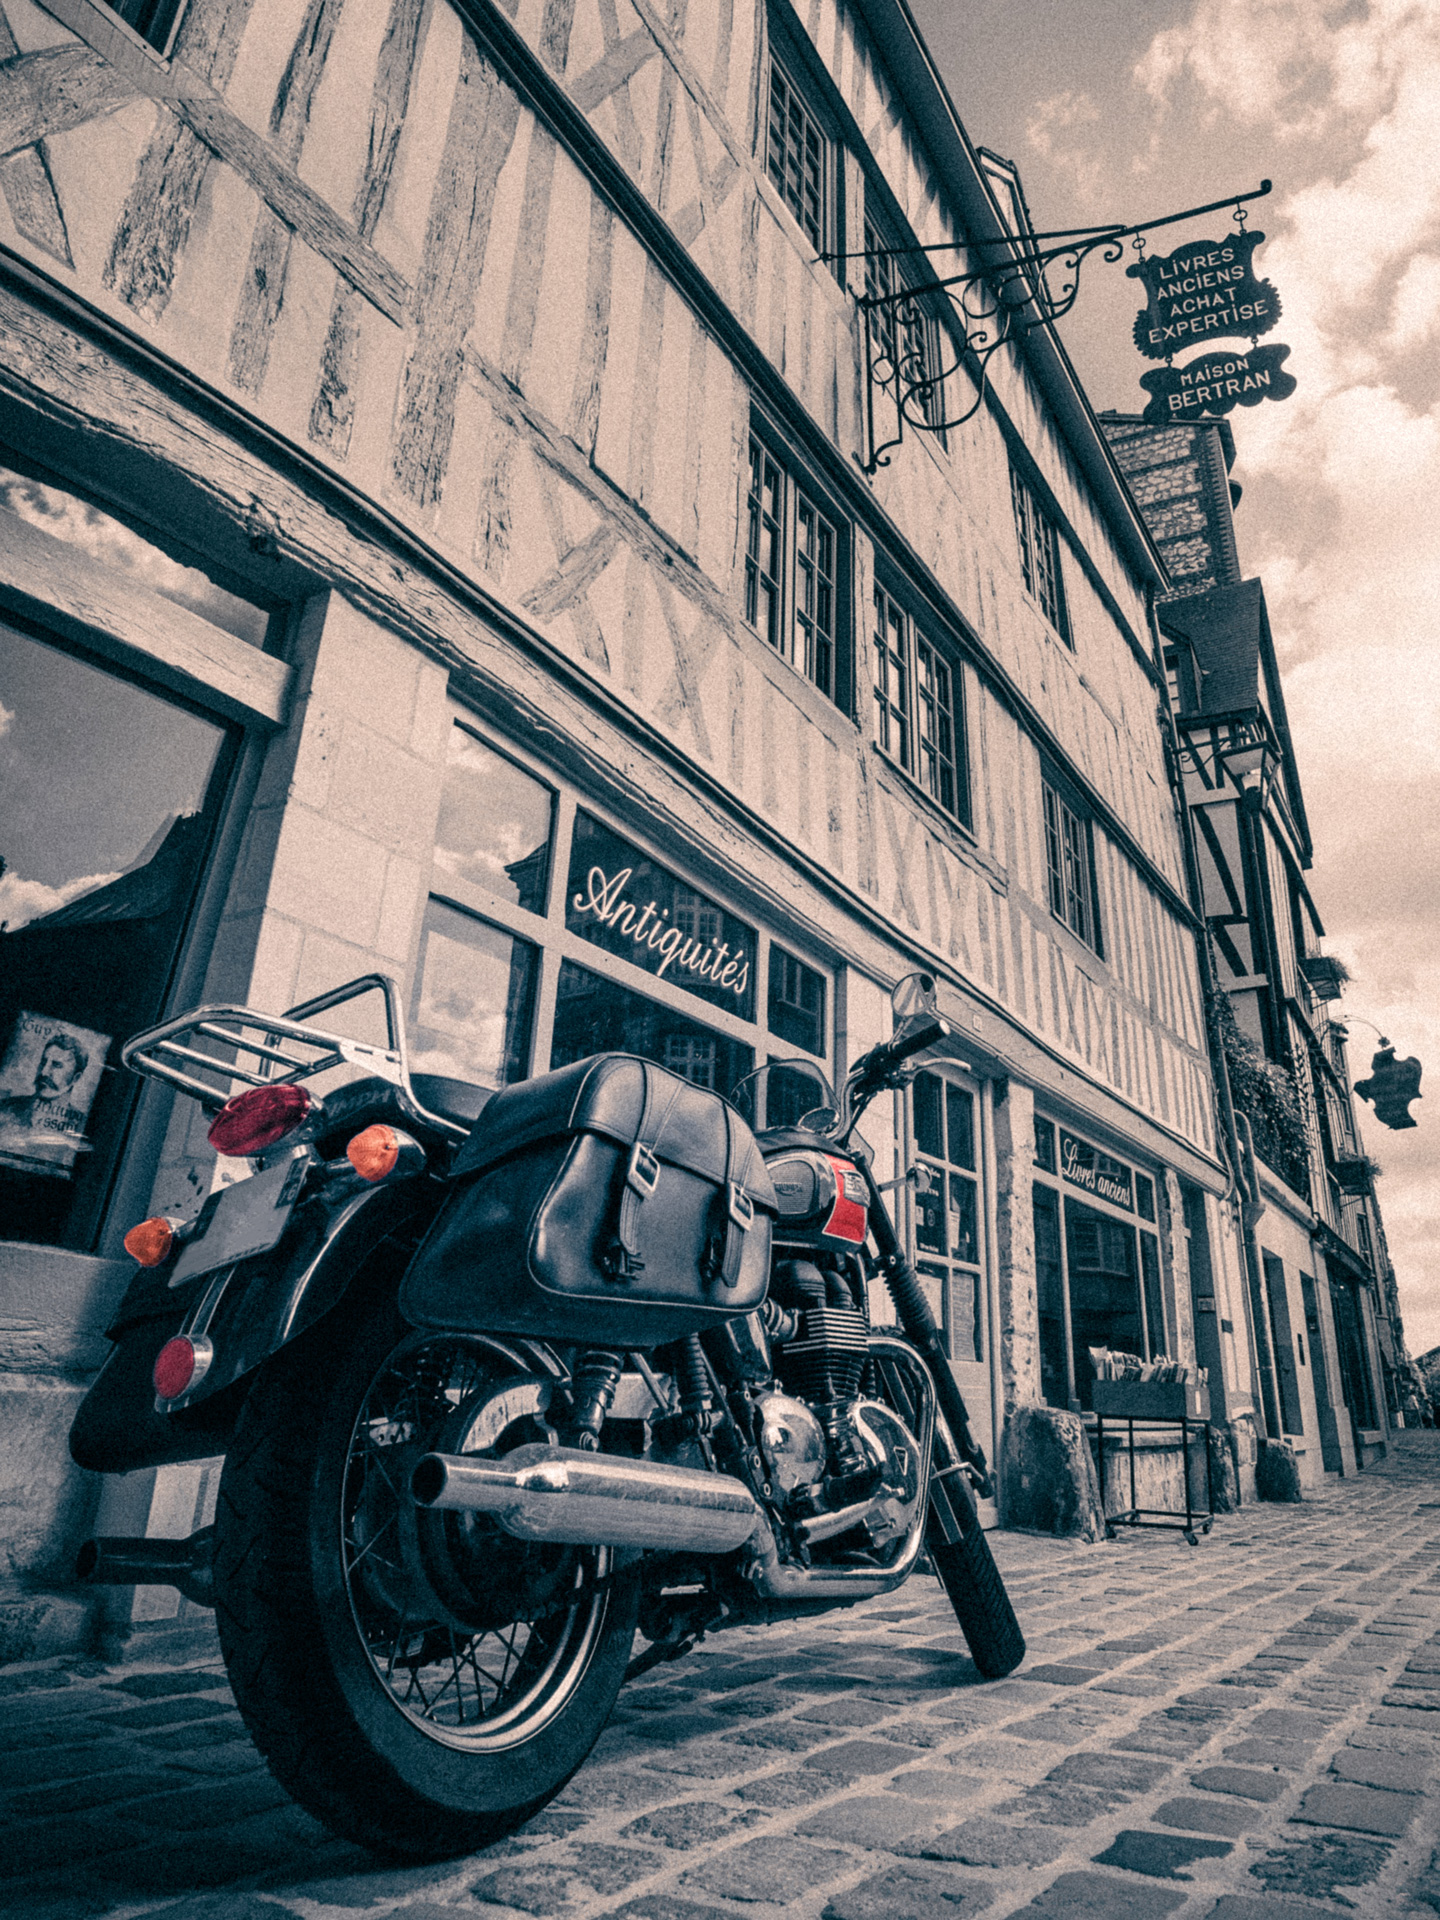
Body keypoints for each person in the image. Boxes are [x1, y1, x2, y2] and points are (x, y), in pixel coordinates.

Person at [0, 1031, 89, 1136]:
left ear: (76, 1078)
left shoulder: (83, 1125)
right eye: (43, 1062)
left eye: (56, 1065)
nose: (44, 1072)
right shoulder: (5, 1107)